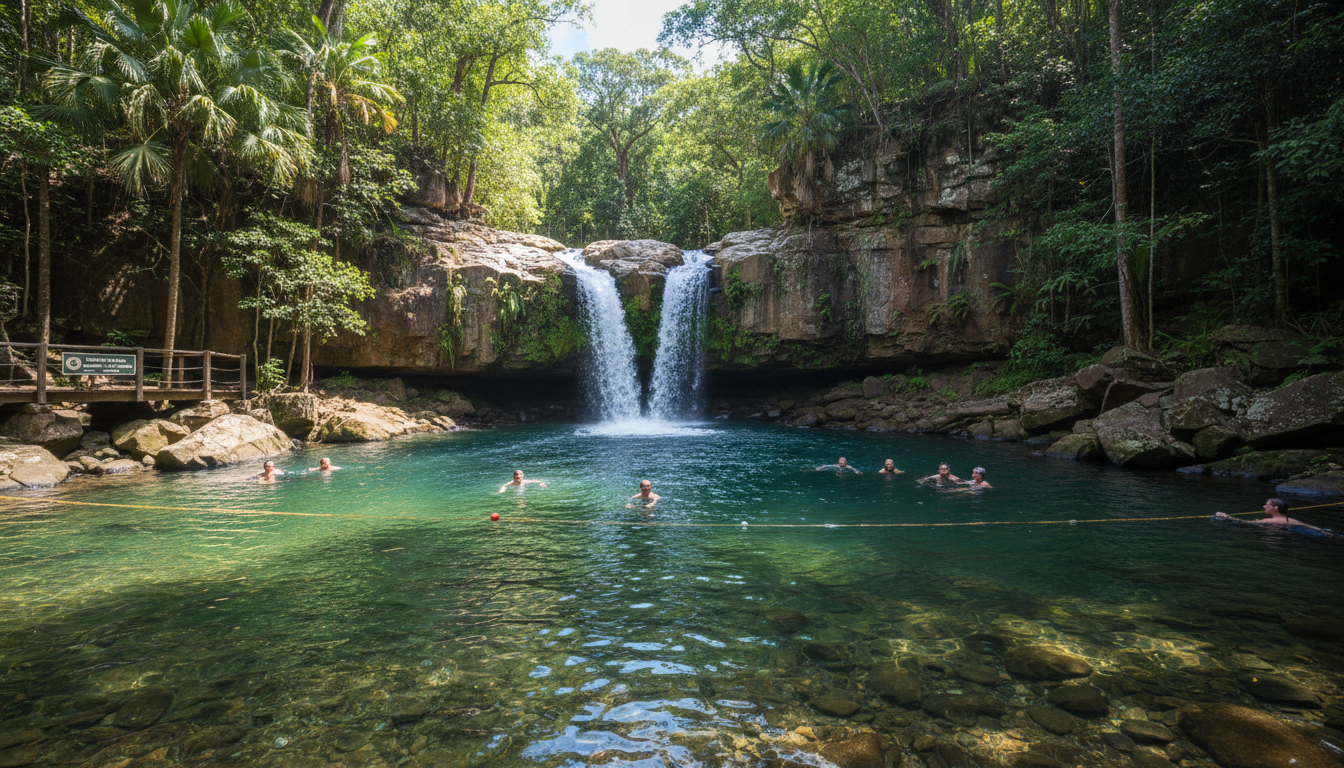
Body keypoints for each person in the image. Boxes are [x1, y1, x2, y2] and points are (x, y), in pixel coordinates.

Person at [1216, 499, 1331, 534]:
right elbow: (1312, 527)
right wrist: (1327, 533)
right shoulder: (1291, 520)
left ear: (1275, 508)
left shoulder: (1268, 521)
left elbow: (1246, 522)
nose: (1264, 506)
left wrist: (1226, 516)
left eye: (1267, 505)